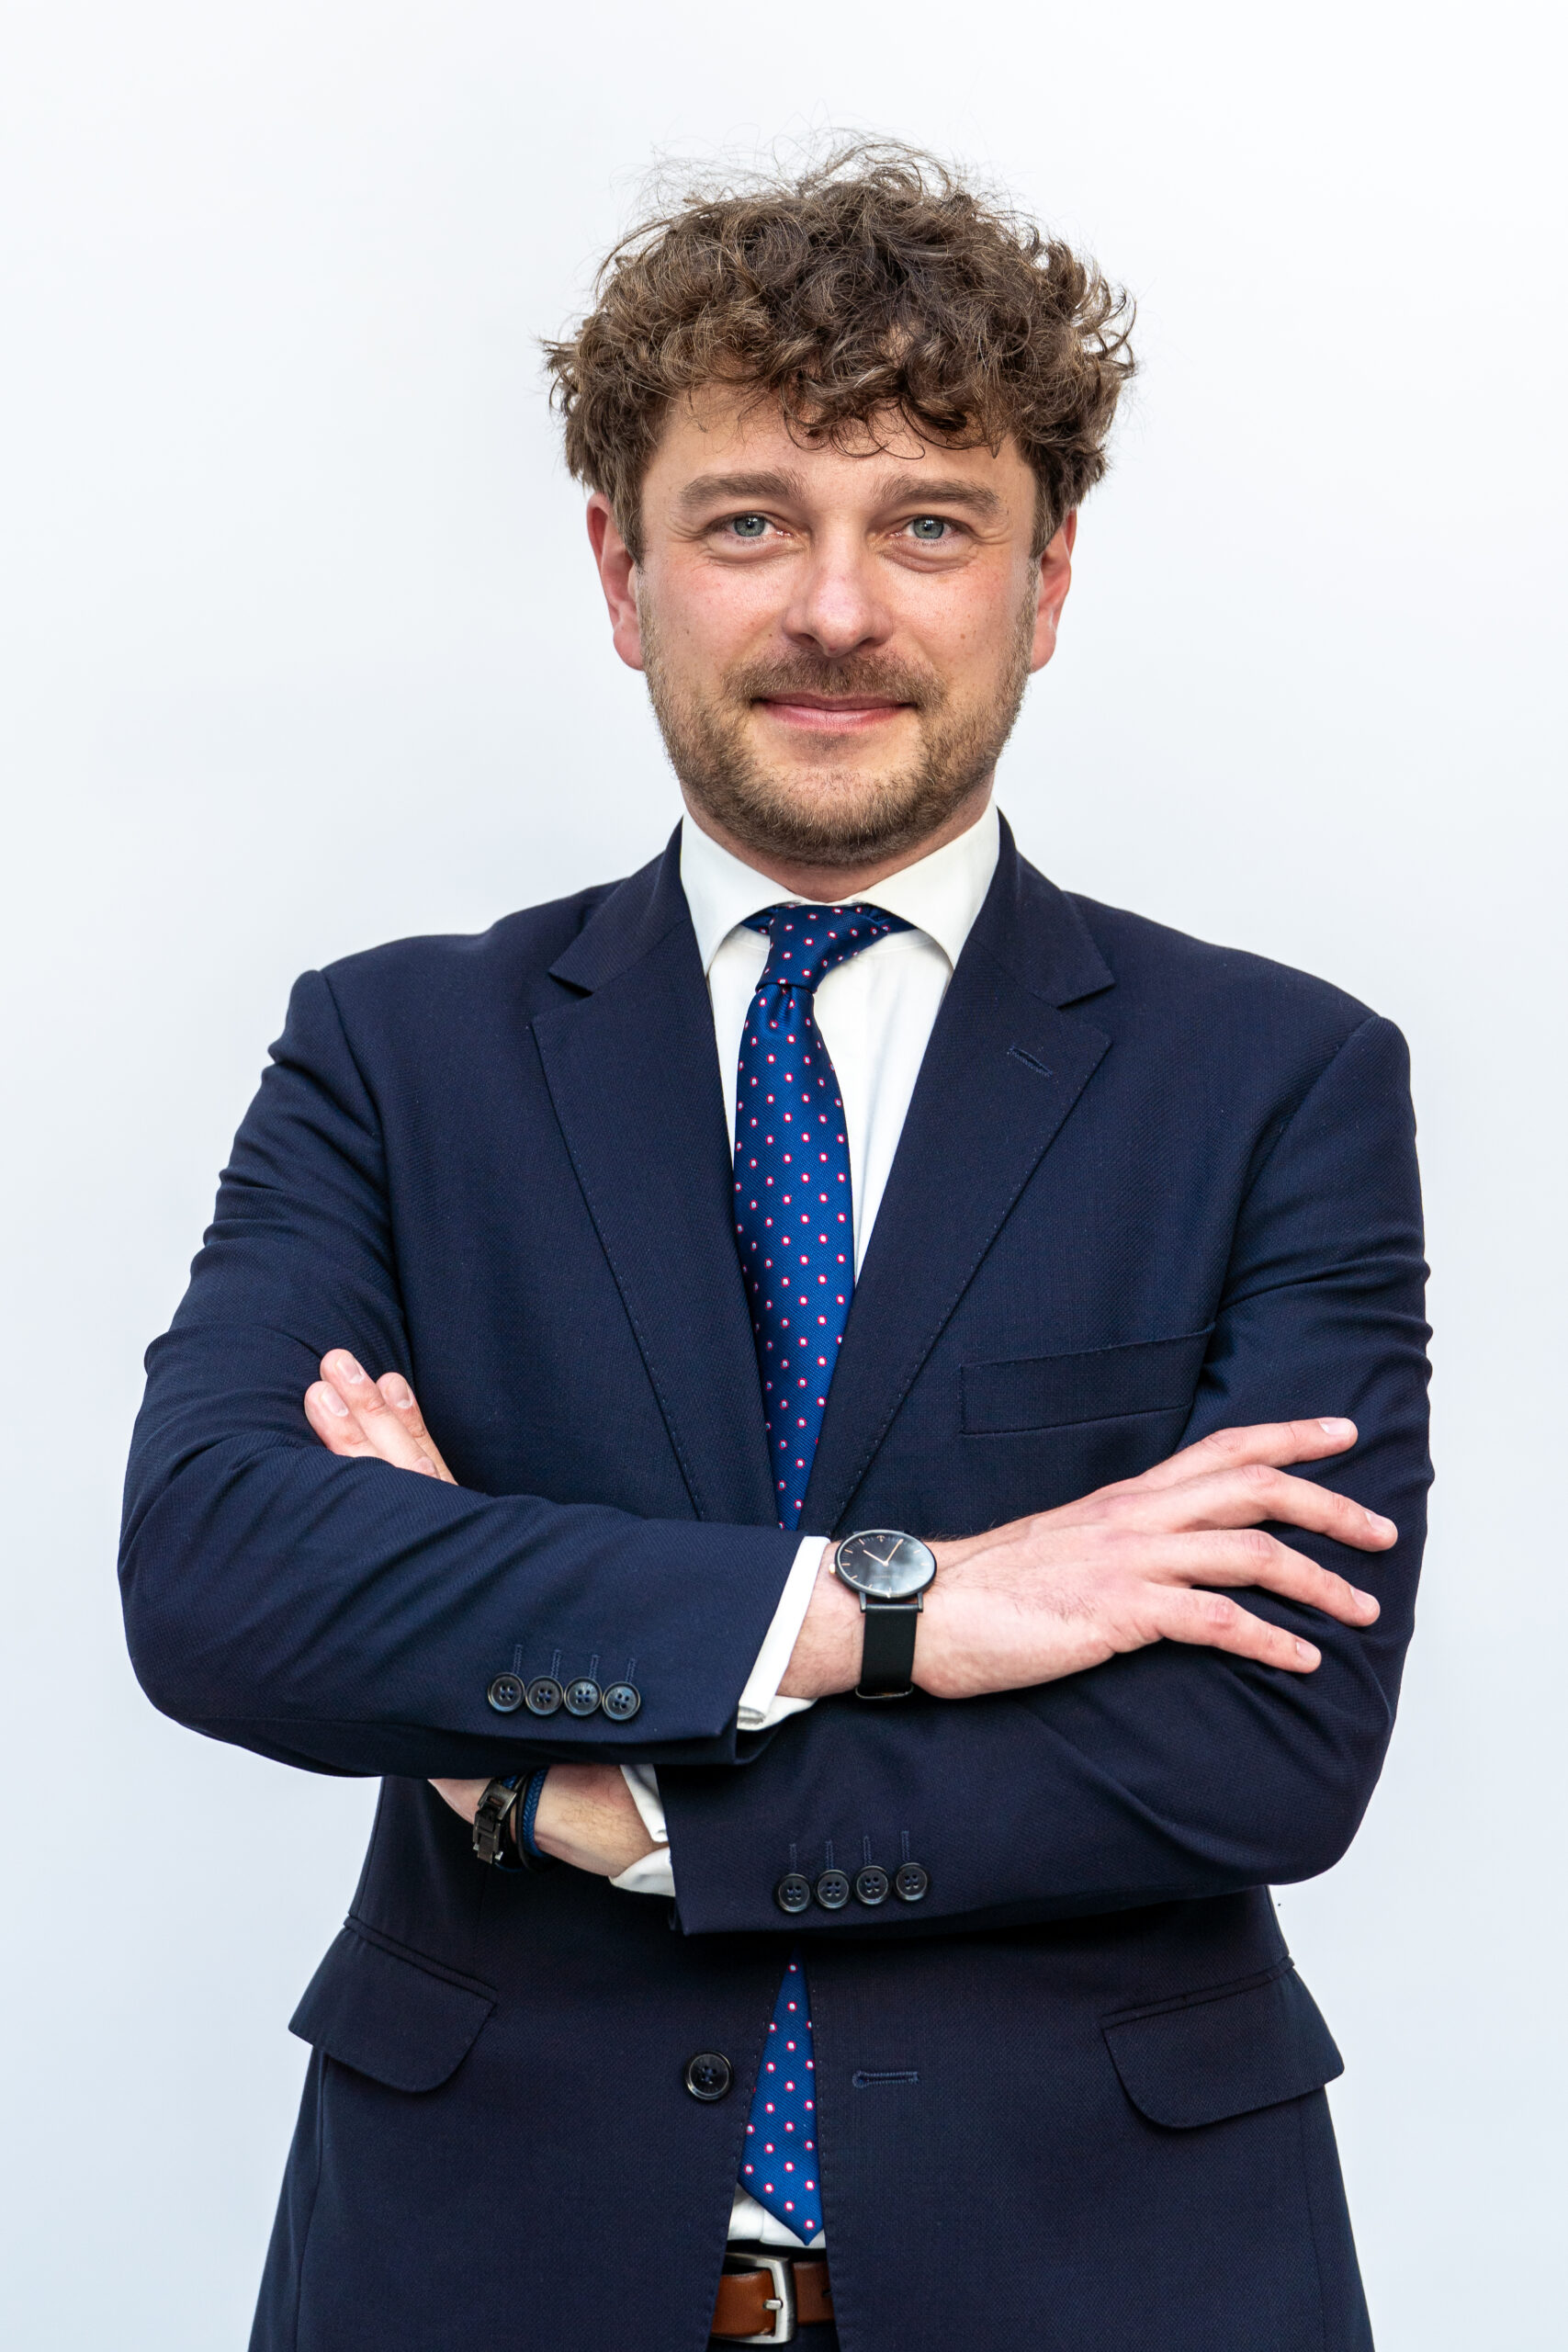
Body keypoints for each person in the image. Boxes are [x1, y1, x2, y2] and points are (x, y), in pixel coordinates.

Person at [119, 144, 1430, 2351]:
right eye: (748, 522)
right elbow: (226, 1576)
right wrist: (901, 1608)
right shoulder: (393, 1051)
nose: (835, 608)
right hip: (477, 2263)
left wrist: (603, 1803)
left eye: (926, 524)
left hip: (1113, 2273)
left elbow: (1257, 1741)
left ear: (1044, 578)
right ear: (621, 573)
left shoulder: (1275, 1078)